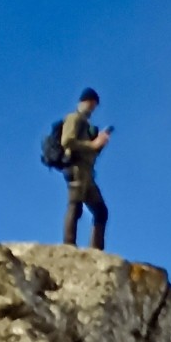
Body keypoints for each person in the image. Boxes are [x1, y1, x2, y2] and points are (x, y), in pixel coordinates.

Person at [60, 88, 112, 249]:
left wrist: (100, 144)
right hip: (76, 169)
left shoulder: (87, 125)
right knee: (75, 206)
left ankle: (96, 249)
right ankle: (69, 245)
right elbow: (66, 141)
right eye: (92, 104)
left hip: (87, 173)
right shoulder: (73, 118)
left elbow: (92, 151)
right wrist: (92, 144)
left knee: (101, 211)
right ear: (85, 101)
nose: (92, 108)